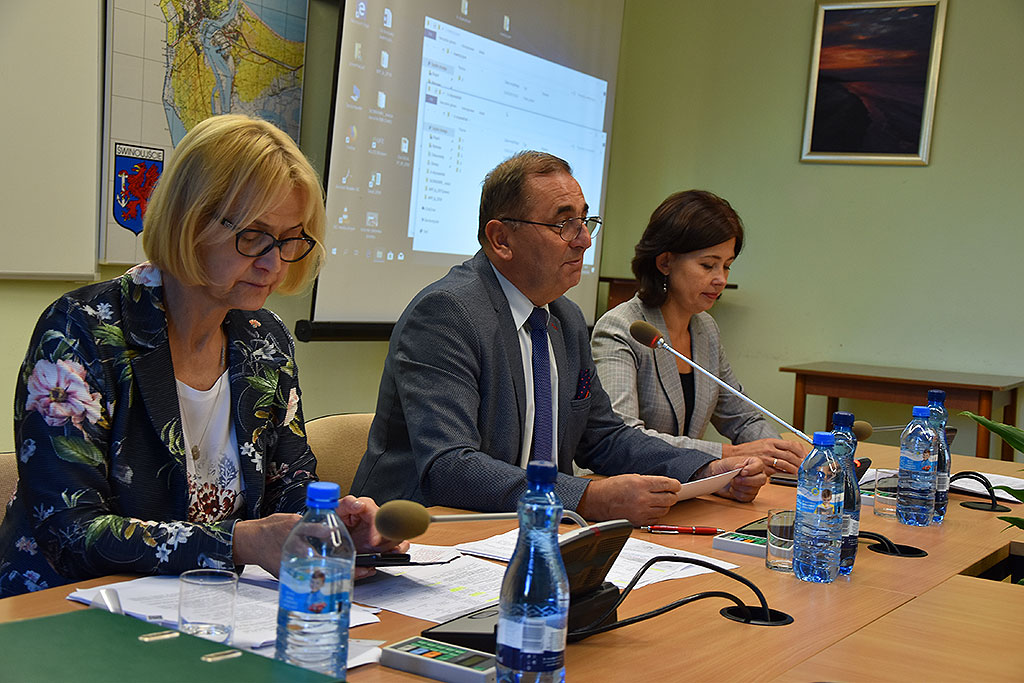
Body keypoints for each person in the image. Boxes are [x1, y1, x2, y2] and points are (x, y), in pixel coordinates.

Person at [0, 114, 403, 598]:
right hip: (66, 609)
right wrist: (241, 542)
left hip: (212, 605)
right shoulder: (80, 332)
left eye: (289, 239)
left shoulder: (265, 338)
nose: (273, 263)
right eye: (253, 236)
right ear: (189, 220)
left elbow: (288, 486)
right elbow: (70, 533)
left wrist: (332, 527)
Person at [350, 152, 767, 526]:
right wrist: (588, 497)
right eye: (564, 224)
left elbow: (603, 437)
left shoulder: (564, 318)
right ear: (501, 239)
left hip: (528, 529)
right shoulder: (447, 314)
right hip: (424, 535)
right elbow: (450, 468)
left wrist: (702, 470)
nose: (584, 240)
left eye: (585, 221)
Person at [591, 190, 806, 476]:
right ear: (665, 262)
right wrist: (730, 453)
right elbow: (624, 436)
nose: (721, 279)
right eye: (708, 265)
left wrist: (783, 456)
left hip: (685, 486)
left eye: (727, 266)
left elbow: (742, 418)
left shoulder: (705, 329)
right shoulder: (622, 328)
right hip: (624, 487)